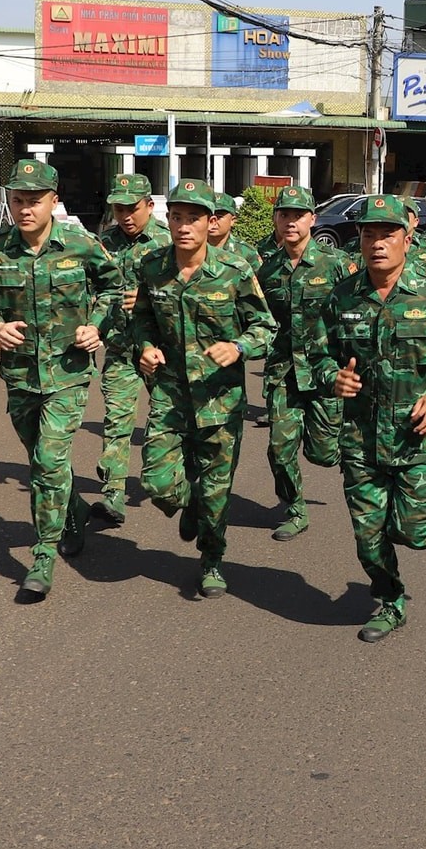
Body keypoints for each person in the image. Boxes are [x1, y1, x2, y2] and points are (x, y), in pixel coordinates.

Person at [307, 195, 426, 642]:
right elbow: (320, 352)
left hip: (418, 437)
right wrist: (333, 379)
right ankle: (390, 602)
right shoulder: (343, 295)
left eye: (387, 234)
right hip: (360, 438)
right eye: (369, 234)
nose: (377, 243)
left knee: (409, 529)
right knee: (368, 534)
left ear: (408, 239)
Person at [0, 159, 123, 602]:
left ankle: (43, 556)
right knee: (40, 461)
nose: (25, 209)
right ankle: (73, 512)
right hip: (19, 375)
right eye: (18, 200)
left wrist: (97, 327)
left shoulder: (80, 243)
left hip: (68, 373)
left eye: (35, 201)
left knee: (51, 462)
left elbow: (113, 288)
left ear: (54, 201)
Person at [131, 178, 277, 598]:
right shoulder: (154, 267)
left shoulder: (234, 271)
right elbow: (141, 317)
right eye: (176, 217)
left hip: (219, 398)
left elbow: (265, 327)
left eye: (193, 218)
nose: (184, 226)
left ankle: (212, 559)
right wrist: (145, 346)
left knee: (215, 495)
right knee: (158, 484)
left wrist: (239, 346)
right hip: (170, 392)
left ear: (211, 222)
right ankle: (186, 501)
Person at [255, 185, 352, 543]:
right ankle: (295, 509)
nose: (291, 222)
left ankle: (345, 452)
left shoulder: (336, 263)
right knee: (279, 450)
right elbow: (257, 318)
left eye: (298, 215)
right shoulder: (268, 272)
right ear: (276, 220)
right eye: (284, 215)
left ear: (313, 218)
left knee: (323, 454)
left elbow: (358, 306)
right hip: (284, 371)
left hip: (327, 371)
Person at [91, 172, 171, 526]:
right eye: (119, 209)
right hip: (121, 349)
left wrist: (149, 298)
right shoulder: (104, 243)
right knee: (117, 421)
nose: (125, 216)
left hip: (160, 350)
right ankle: (113, 495)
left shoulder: (170, 244)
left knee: (165, 420)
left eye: (132, 208)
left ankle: (171, 481)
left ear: (150, 206)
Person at [209, 190, 264, 271]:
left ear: (232, 220)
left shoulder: (247, 253)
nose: (213, 221)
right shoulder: (193, 248)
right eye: (209, 215)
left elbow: (259, 281)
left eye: (219, 217)